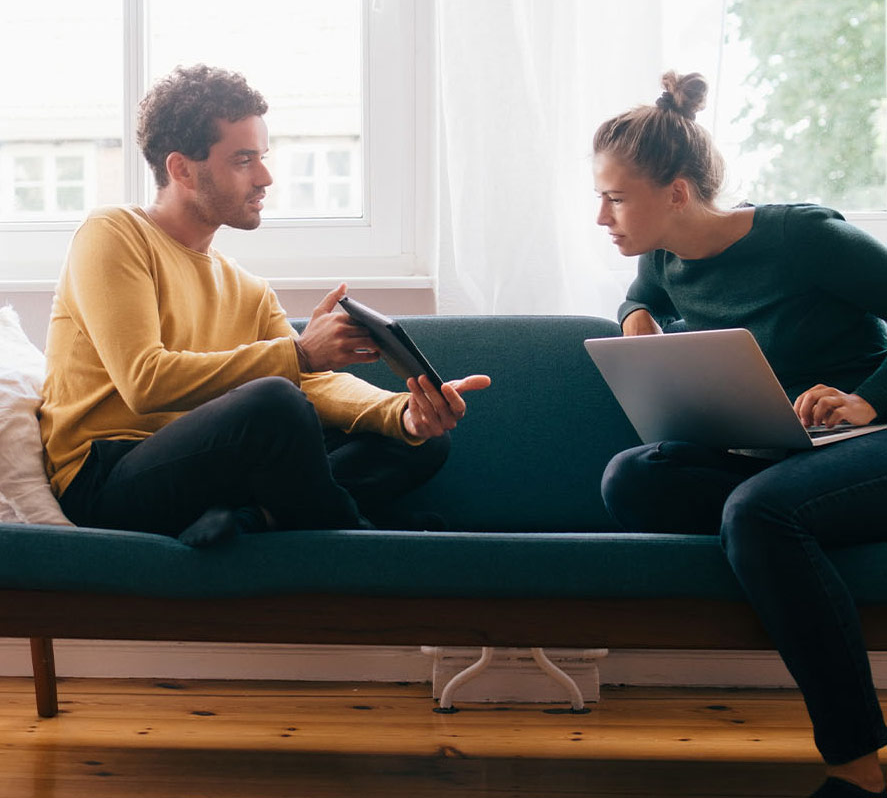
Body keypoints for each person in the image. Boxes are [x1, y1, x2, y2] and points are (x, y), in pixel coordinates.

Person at [40, 64, 490, 548]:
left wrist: (404, 413)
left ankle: (256, 519)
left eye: (263, 157)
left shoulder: (247, 287)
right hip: (109, 480)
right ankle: (360, 537)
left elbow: (312, 384)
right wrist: (298, 355)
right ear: (181, 169)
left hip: (207, 473)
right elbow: (144, 381)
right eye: (243, 160)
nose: (265, 176)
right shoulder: (114, 234)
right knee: (273, 401)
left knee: (419, 443)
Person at [595, 71, 887, 798]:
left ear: (677, 192)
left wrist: (864, 401)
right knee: (629, 478)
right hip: (786, 454)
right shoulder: (662, 252)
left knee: (757, 512)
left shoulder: (802, 239)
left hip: (870, 442)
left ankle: (857, 764)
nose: (601, 215)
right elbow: (641, 296)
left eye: (614, 195)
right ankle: (789, 529)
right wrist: (636, 325)